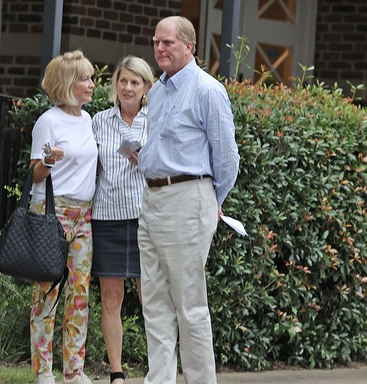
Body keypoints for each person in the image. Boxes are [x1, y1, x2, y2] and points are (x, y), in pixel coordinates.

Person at [137, 16, 240, 384]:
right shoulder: (160, 90)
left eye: (167, 43)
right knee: (154, 303)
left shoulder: (207, 90)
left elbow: (227, 160)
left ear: (189, 46)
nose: (159, 49)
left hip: (188, 198)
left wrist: (212, 201)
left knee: (190, 306)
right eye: (156, 42)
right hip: (151, 200)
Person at [28, 50, 98, 384]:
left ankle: (75, 371)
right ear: (68, 83)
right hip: (51, 212)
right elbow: (36, 175)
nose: (92, 84)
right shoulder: (48, 122)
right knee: (47, 292)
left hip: (84, 214)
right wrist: (50, 161)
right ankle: (43, 371)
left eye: (92, 78)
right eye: (85, 78)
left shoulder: (87, 120)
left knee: (80, 292)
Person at [91, 56, 155, 384]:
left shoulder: (157, 120)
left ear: (146, 88)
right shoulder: (99, 121)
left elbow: (171, 169)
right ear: (115, 84)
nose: (128, 87)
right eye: (123, 80)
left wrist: (147, 161)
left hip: (146, 219)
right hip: (107, 218)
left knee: (151, 297)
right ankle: (116, 372)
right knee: (111, 297)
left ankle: (158, 369)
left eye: (136, 82)